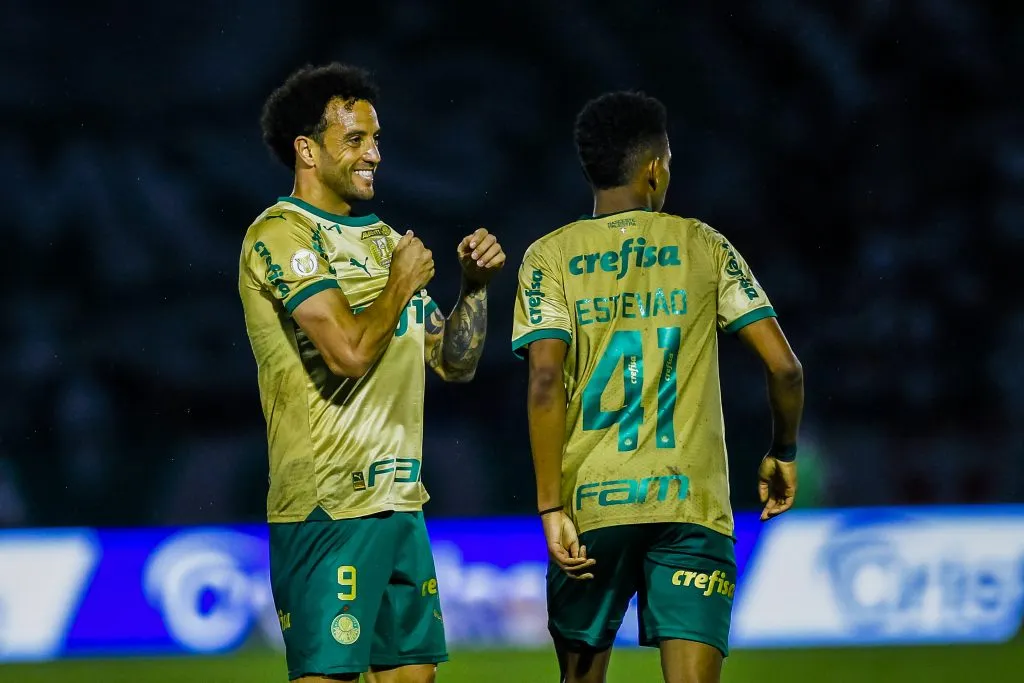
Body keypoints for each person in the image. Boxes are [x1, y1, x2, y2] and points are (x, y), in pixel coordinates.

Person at [511, 91, 804, 683]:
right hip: (689, 503)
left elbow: (545, 380)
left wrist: (549, 506)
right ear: (653, 168)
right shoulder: (704, 246)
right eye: (667, 160)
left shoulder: (548, 257)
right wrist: (783, 450)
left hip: (594, 503)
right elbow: (785, 369)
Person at [239, 63, 505, 683]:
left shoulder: (386, 239)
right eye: (355, 140)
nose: (374, 155)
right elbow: (348, 354)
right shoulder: (281, 236)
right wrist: (401, 283)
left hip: (400, 503)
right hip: (328, 507)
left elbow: (455, 363)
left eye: (376, 139)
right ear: (307, 149)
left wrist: (474, 289)